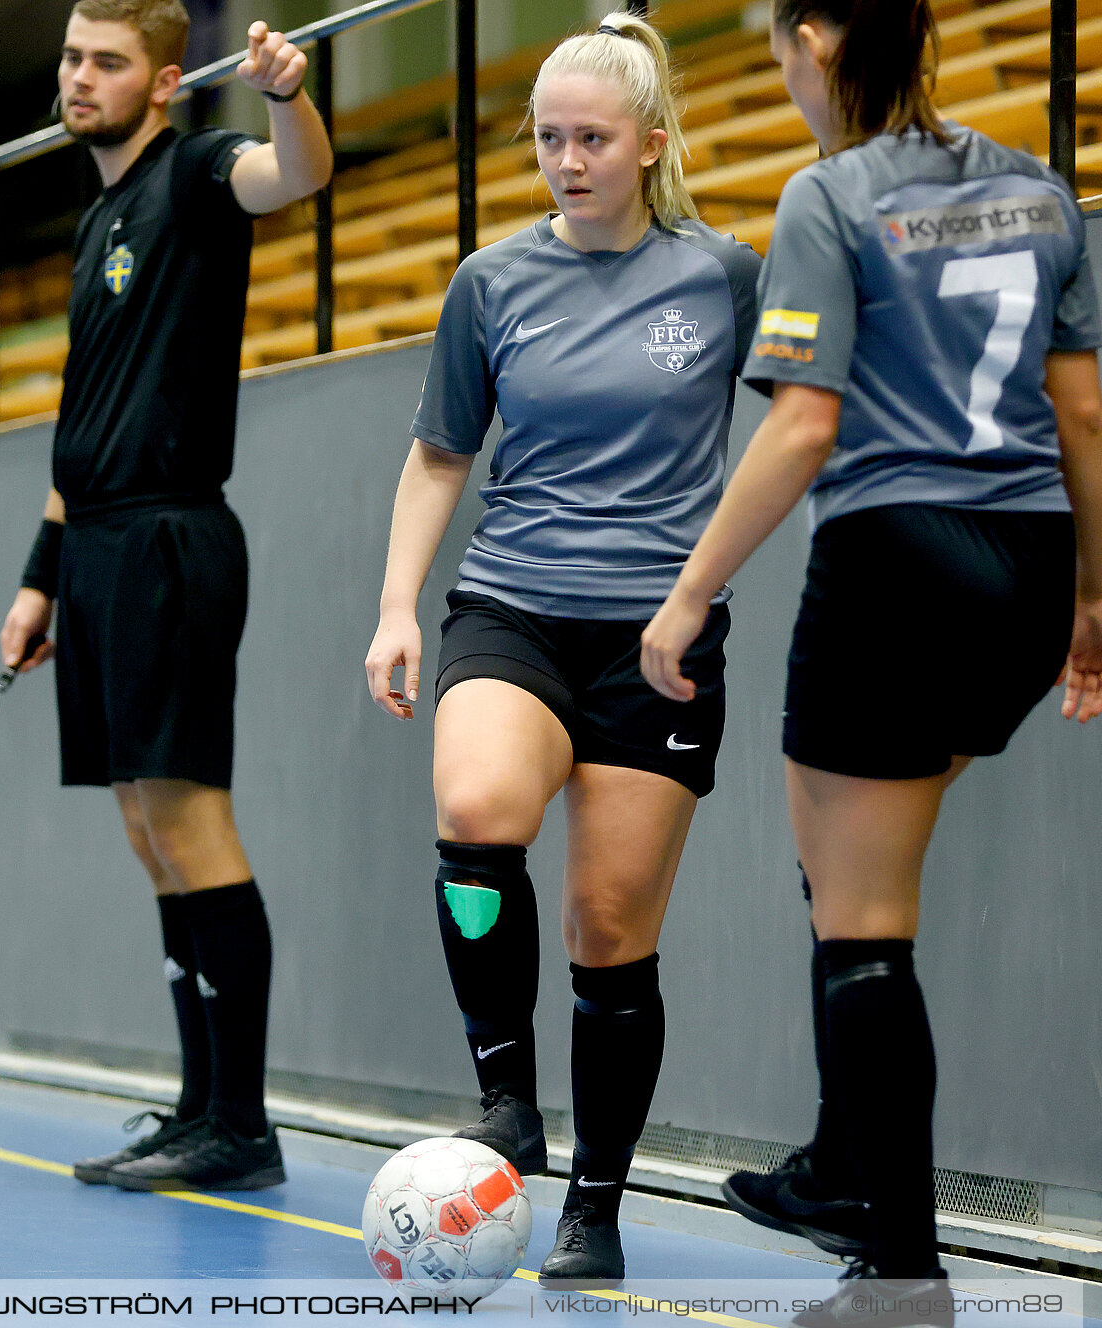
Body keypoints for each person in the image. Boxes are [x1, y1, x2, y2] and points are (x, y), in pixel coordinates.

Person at [640, 0, 1102, 1320]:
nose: (784, 75)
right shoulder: (1038, 187)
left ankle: (898, 1261)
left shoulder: (829, 195)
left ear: (820, 42)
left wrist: (688, 596)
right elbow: (1079, 412)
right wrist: (1097, 597)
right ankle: (838, 1155)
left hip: (896, 558)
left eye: (779, 49)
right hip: (1026, 565)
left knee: (862, 922)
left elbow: (803, 428)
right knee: (852, 852)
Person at [363, 12, 762, 1288]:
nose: (568, 160)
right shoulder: (491, 283)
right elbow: (440, 454)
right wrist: (395, 605)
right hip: (515, 603)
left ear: (650, 146)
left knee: (607, 925)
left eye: (593, 138)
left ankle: (597, 1201)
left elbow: (804, 418)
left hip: (661, 632)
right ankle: (506, 1102)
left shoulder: (727, 274)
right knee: (477, 809)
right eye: (549, 139)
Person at [0, 0, 331, 1193]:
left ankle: (242, 1123)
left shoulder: (192, 171)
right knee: (147, 830)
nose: (80, 77)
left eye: (108, 62)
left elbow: (290, 176)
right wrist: (40, 578)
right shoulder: (97, 216)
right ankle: (197, 1102)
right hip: (91, 548)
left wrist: (287, 95)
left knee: (190, 822)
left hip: (169, 543)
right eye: (73, 57)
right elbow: (80, 415)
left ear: (167, 78)